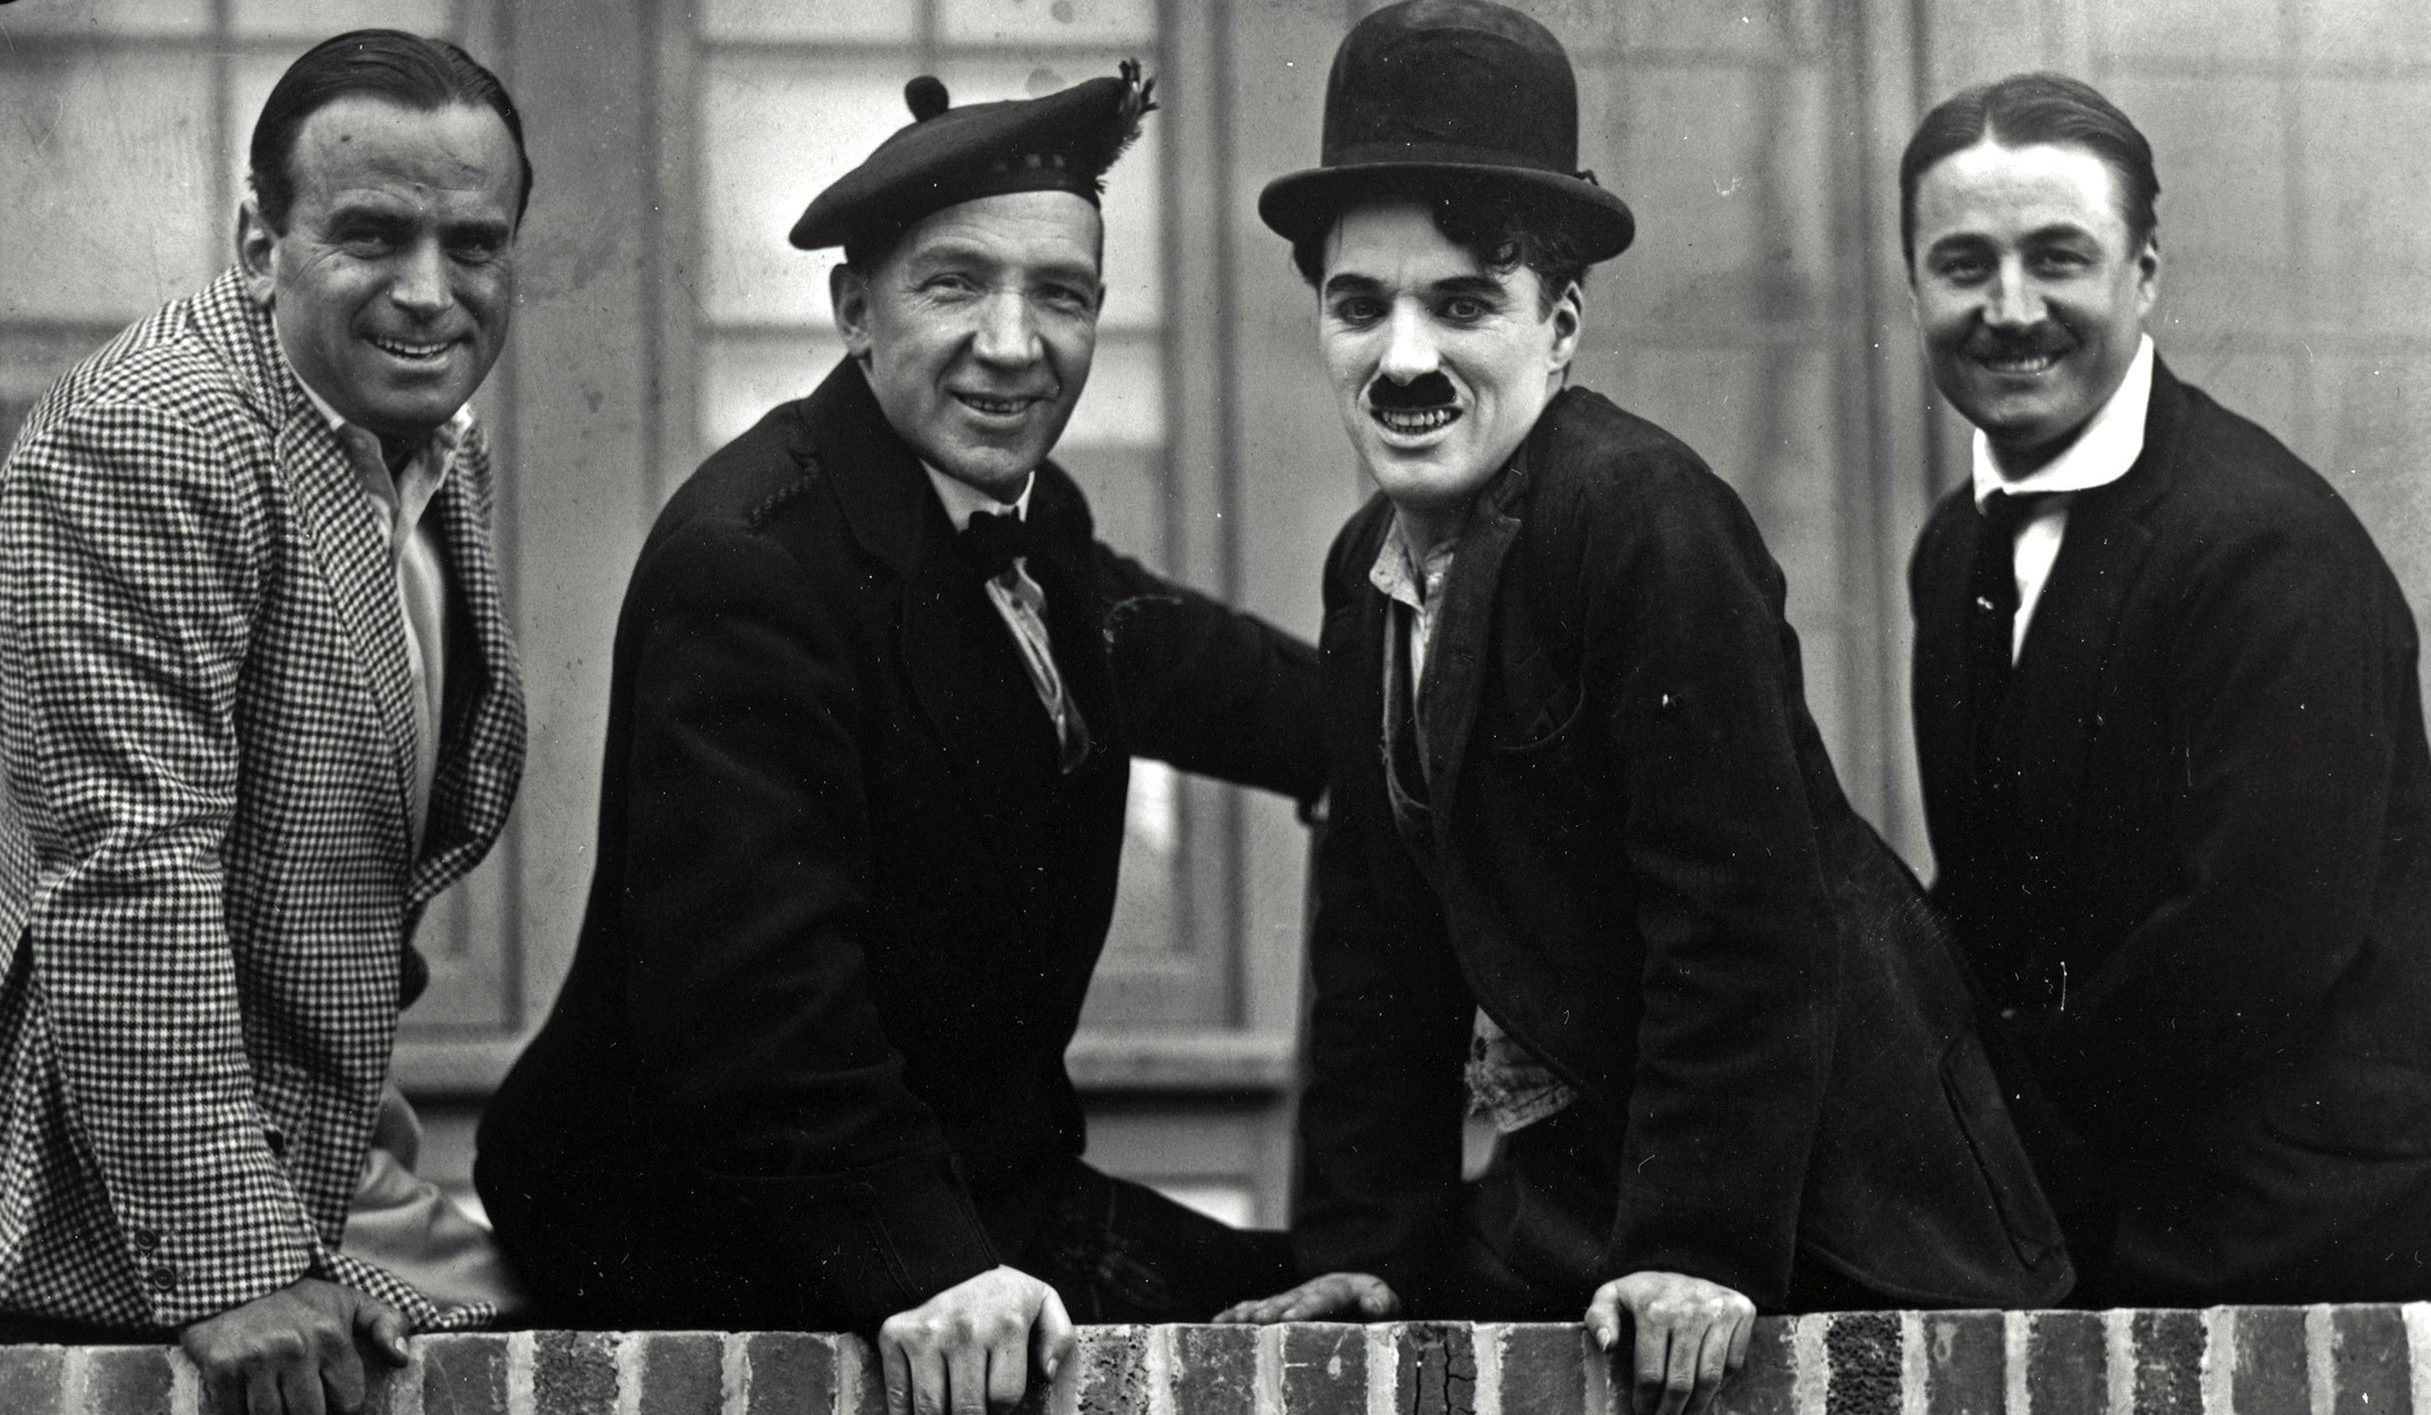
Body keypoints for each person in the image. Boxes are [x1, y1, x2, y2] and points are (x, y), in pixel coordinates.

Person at [1216, 4, 2072, 1410]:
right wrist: (1365, 1245)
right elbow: (1376, 949)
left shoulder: (1637, 516)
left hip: (1837, 1210)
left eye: (1462, 303)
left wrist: (1691, 1245)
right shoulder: (1365, 571)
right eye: (1358, 303)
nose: (1404, 358)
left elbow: (1742, 920)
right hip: (1600, 1190)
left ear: (1556, 326)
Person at [474, 63, 1323, 1415]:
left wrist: (1383, 732)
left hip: (969, 1178)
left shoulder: (1012, 506)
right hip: (713, 1221)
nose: (1012, 341)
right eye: (954, 285)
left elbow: (1161, 648)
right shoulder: (749, 565)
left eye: (1059, 293)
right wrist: (931, 1267)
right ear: (853, 312)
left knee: (1325, 1294)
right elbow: (763, 1008)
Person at [0, 28, 533, 1415]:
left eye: (472, 245)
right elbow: (128, 865)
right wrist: (236, 1270)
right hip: (81, 1166)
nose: (429, 293)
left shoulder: (400, 434)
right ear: (256, 239)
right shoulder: (159, 434)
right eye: (370, 235)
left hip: (316, 1132)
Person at [1902, 72, 2431, 1306]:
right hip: (2105, 1177)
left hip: (2293, 1224)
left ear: (2144, 273)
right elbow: (1986, 902)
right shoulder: (1956, 543)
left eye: (2058, 257)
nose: (2009, 308)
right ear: (1914, 285)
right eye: (1963, 263)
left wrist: (1983, 1111)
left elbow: (2250, 952)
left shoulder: (2265, 547)